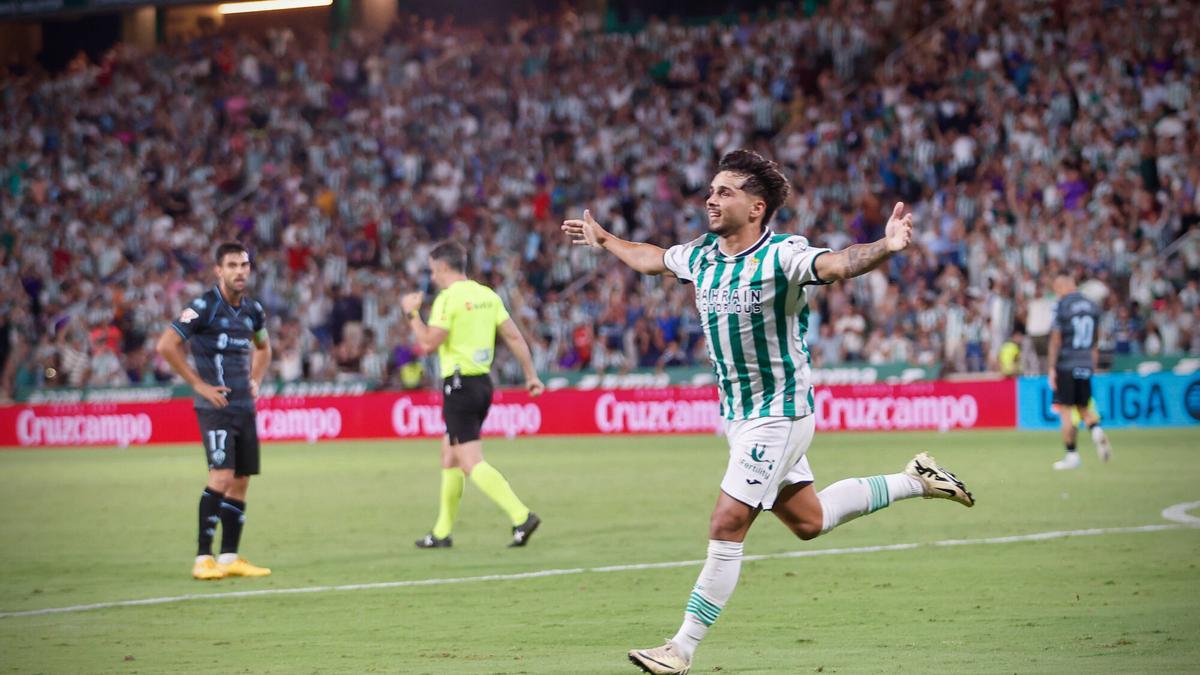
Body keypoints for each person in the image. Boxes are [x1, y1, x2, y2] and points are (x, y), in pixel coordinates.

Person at [563, 150, 975, 674]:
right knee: (810, 520)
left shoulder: (783, 256)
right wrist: (605, 241)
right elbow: (651, 257)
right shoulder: (702, 256)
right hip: (739, 418)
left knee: (728, 521)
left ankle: (680, 649)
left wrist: (886, 247)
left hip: (779, 414)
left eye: (725, 192)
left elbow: (838, 263)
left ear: (757, 208)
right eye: (711, 190)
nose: (711, 199)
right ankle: (916, 480)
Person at [400, 241, 545, 549]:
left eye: (432, 269)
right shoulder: (486, 295)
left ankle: (521, 515)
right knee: (449, 455)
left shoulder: (447, 299)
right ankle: (441, 533)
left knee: (469, 461)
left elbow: (428, 343)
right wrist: (530, 375)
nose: (432, 275)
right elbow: (514, 336)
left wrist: (411, 313)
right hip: (482, 384)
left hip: (459, 386)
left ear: (441, 267)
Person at [156, 242, 273, 581]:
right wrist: (198, 384)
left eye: (244, 265)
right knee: (221, 476)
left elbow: (264, 347)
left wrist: (256, 379)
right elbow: (166, 345)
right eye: (232, 265)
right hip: (216, 406)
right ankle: (202, 558)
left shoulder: (253, 311)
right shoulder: (203, 306)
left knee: (240, 481)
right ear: (219, 271)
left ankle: (229, 557)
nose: (240, 271)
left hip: (243, 406)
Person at [1047, 274, 1113, 470]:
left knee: (1066, 411)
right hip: (1085, 361)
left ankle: (1072, 455)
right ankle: (1096, 430)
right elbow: (1095, 339)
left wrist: (1052, 367)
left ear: (1062, 286)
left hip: (1067, 362)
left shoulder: (1062, 306)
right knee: (1083, 407)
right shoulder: (1092, 306)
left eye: (1056, 289)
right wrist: (1092, 363)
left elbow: (1056, 339)